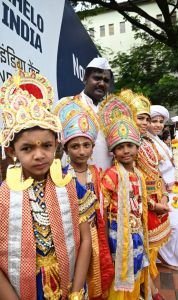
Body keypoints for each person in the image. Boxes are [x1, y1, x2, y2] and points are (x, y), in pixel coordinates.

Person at [0, 70, 91, 300]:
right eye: (27, 148)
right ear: (12, 152)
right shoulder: (3, 196)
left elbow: (86, 240)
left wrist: (77, 291)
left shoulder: (70, 186)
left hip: (68, 284)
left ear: (56, 146)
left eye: (46, 146)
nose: (39, 155)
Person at [54, 97, 114, 300]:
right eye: (75, 146)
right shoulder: (59, 176)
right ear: (66, 149)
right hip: (70, 237)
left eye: (86, 145)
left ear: (92, 146)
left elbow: (104, 209)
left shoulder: (98, 174)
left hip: (95, 236)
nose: (81, 151)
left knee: (96, 278)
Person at [120, 90, 170, 300]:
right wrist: (152, 203)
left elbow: (157, 173)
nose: (145, 122)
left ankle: (148, 288)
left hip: (159, 200)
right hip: (144, 204)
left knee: (151, 252)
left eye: (147, 118)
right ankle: (148, 290)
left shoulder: (148, 141)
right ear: (131, 116)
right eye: (141, 117)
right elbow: (131, 179)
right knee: (141, 251)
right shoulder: (127, 145)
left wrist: (165, 197)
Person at [99, 94, 150, 300]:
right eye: (120, 147)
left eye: (130, 145)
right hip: (117, 234)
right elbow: (102, 211)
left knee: (135, 266)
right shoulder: (111, 176)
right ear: (113, 151)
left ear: (138, 147)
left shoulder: (139, 174)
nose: (126, 151)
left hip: (136, 229)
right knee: (119, 269)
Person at [148, 105, 178, 270]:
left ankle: (166, 257)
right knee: (170, 225)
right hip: (163, 191)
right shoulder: (146, 142)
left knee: (174, 225)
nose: (158, 125)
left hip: (173, 189)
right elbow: (152, 171)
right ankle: (163, 257)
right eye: (153, 121)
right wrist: (166, 186)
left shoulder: (157, 139)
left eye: (160, 122)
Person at [61, 57, 113, 170]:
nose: (102, 84)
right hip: (73, 178)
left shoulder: (109, 113)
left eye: (106, 81)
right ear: (85, 79)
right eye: (97, 78)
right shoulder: (67, 105)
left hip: (107, 178)